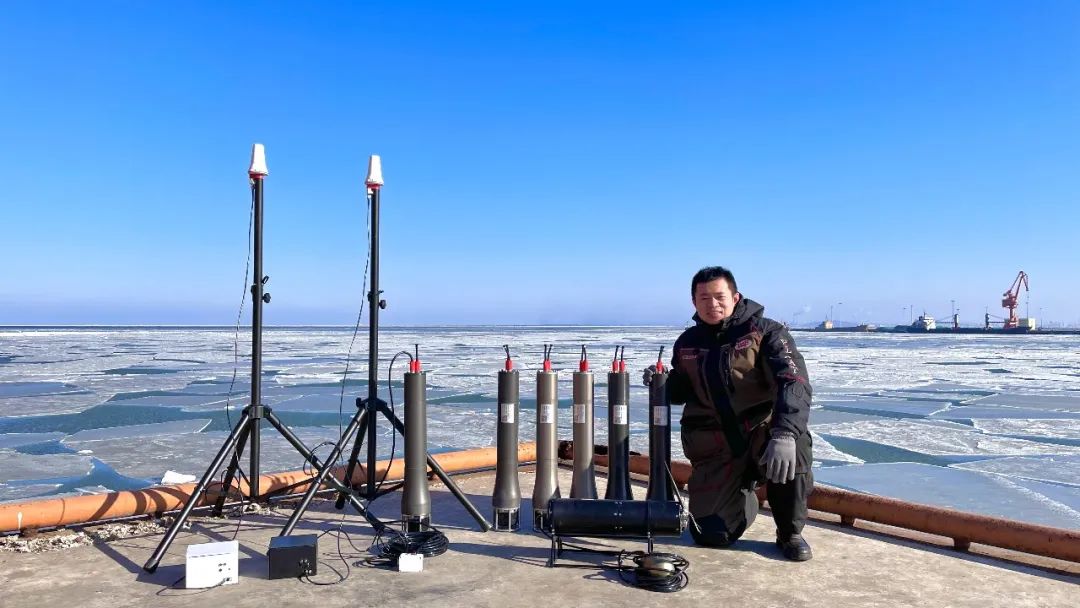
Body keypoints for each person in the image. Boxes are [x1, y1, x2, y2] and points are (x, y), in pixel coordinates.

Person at [643, 266, 814, 561]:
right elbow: (683, 392)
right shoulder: (687, 342)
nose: (712, 304)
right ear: (694, 301)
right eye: (704, 298)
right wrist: (662, 383)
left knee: (794, 446)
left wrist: (785, 432)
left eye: (719, 296)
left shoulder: (766, 332)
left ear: (735, 297)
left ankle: (790, 532)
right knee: (710, 535)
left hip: (762, 436)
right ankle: (742, 495)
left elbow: (794, 381)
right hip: (717, 447)